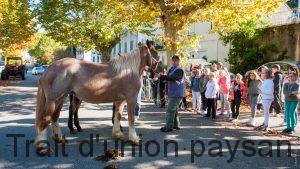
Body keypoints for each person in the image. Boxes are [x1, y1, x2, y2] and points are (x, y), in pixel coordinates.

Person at [161, 55, 186, 132]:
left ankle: (169, 127)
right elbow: (168, 78)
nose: (173, 62)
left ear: (178, 61)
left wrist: (163, 77)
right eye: (172, 60)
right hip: (173, 92)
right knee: (174, 110)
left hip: (177, 93)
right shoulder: (172, 69)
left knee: (170, 110)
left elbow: (173, 77)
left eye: (175, 61)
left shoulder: (179, 70)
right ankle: (176, 125)